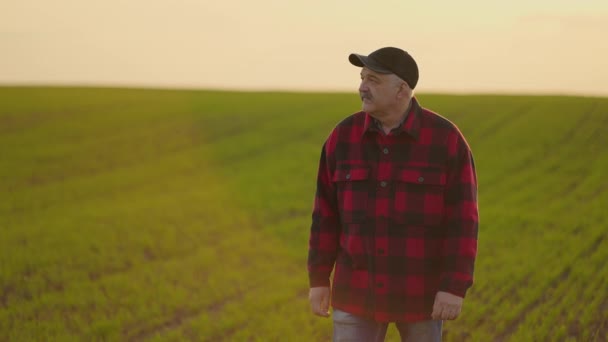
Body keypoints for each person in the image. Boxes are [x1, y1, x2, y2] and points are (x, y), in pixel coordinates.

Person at [307, 47, 479, 342]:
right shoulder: (342, 138)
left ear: (401, 89)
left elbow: (462, 223)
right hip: (355, 295)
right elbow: (325, 217)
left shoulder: (446, 141)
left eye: (373, 80)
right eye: (362, 78)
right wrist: (319, 280)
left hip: (421, 297)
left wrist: (453, 287)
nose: (362, 87)